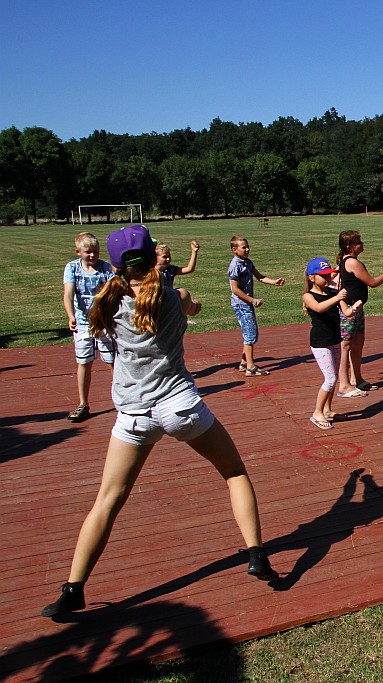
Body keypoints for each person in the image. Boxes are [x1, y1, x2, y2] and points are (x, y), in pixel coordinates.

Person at [41, 225, 277, 619]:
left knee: (108, 500)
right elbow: (191, 305)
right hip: (181, 407)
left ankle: (73, 589)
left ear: (116, 265)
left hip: (133, 415)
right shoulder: (174, 297)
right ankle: (256, 555)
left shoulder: (106, 303)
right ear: (154, 259)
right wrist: (192, 306)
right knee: (234, 473)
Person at [335, 230, 383, 397]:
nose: (362, 244)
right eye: (358, 242)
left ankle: (357, 379)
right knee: (346, 345)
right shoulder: (352, 263)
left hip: (357, 309)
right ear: (349, 247)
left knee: (358, 343)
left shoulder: (346, 260)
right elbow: (373, 282)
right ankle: (344, 385)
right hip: (349, 310)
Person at [302, 257, 362, 430]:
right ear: (312, 277)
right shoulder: (308, 296)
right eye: (324, 276)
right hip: (320, 342)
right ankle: (317, 413)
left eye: (329, 276)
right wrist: (337, 297)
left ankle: (327, 410)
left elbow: (347, 312)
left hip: (335, 339)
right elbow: (319, 308)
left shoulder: (332, 292)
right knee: (330, 379)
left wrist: (354, 308)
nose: (328, 279)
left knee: (333, 378)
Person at [63, 232, 116, 423]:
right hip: (83, 323)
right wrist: (71, 316)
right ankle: (83, 403)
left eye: (95, 251)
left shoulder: (105, 268)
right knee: (84, 362)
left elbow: (113, 292)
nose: (92, 255)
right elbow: (68, 294)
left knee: (112, 361)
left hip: (104, 322)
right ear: (78, 252)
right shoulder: (72, 268)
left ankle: (122, 400)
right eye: (87, 252)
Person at [228, 235, 285, 377]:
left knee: (250, 333)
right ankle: (250, 367)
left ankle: (243, 363)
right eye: (244, 247)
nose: (247, 249)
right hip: (241, 304)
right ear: (234, 250)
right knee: (250, 335)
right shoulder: (235, 266)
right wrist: (252, 300)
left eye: (248, 247)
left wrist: (274, 282)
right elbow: (234, 289)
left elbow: (260, 276)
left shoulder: (247, 262)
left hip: (246, 303)